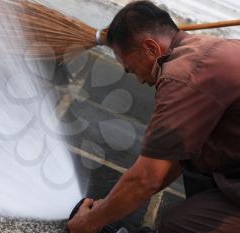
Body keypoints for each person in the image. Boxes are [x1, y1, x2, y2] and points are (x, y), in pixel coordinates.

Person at [67, 1, 240, 233]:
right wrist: (110, 206)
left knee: (177, 225)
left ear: (150, 48)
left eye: (130, 68)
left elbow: (146, 179)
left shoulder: (182, 77)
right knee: (193, 162)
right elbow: (172, 161)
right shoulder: (207, 48)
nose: (138, 79)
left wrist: (88, 223)